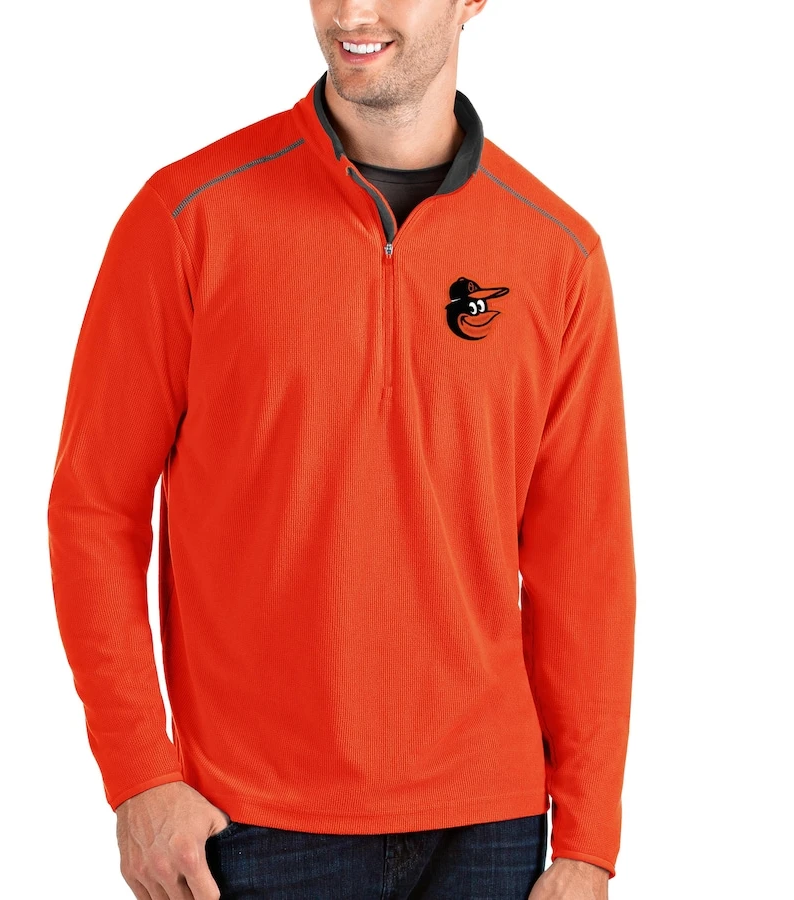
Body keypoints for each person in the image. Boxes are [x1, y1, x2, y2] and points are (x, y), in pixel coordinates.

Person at [47, 1, 636, 897]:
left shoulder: (557, 253)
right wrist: (139, 777)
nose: (353, 11)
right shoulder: (188, 216)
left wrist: (588, 841)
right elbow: (93, 507)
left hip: (490, 827)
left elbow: (583, 565)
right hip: (250, 820)